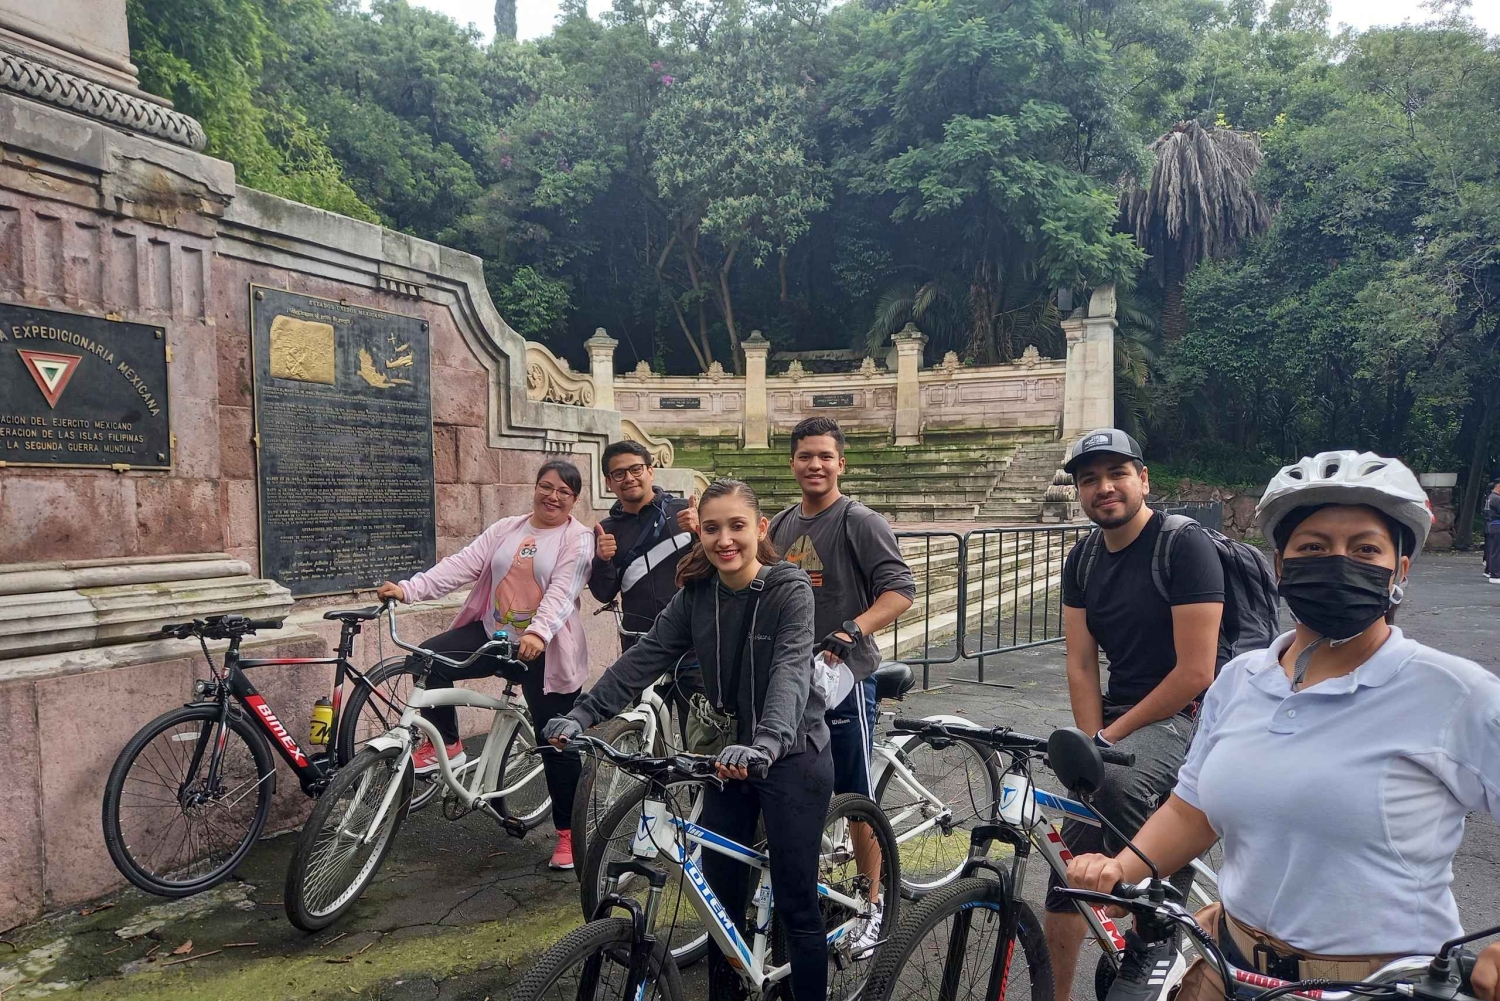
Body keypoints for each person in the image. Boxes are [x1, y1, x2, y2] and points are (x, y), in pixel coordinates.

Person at [1068, 450, 1500, 1001]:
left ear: (1400, 570)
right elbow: (1191, 809)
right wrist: (1122, 868)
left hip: (1382, 985)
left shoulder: (1452, 692)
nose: (1337, 562)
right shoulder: (1241, 680)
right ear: (1279, 565)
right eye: (1313, 547)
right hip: (1232, 968)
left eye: (1365, 549)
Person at [543, 479, 833, 1001]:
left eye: (737, 526)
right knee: (721, 903)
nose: (725, 539)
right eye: (712, 528)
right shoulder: (697, 594)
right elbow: (645, 656)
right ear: (700, 533)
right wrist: (584, 713)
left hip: (790, 753)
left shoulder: (788, 588)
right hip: (728, 758)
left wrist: (767, 742)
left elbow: (791, 669)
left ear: (761, 528)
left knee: (796, 905)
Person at [1049, 428, 1225, 1000]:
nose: (1104, 488)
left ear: (1143, 480)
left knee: (1117, 781)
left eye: (1117, 474)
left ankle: (1154, 923)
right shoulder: (1082, 559)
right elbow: (1081, 663)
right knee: (1065, 867)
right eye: (1089, 479)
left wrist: (1107, 740)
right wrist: (1089, 742)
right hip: (1120, 714)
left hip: (1194, 711)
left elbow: (1196, 672)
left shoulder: (1184, 546)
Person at [376, 459, 594, 871]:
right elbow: (461, 565)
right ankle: (449, 745)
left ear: (574, 500)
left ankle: (569, 833)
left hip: (545, 650)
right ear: (535, 487)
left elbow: (563, 591)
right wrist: (409, 590)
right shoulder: (508, 528)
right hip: (495, 636)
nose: (553, 496)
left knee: (556, 741)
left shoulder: (577, 538)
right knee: (427, 660)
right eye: (546, 487)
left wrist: (538, 633)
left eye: (564, 492)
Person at [768, 416, 916, 953]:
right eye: (806, 456)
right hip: (791, 678)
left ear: (841, 464)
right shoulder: (780, 525)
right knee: (795, 781)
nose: (815, 465)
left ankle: (872, 906)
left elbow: (900, 591)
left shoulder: (860, 521)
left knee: (853, 793)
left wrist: (853, 628)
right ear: (792, 462)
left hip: (844, 674)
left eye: (825, 456)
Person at [1486, 479, 1500, 583]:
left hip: (1492, 526)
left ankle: (1493, 572)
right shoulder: (1496, 499)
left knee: (1494, 551)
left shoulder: (1490, 497)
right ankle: (1495, 574)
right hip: (1497, 526)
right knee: (1497, 552)